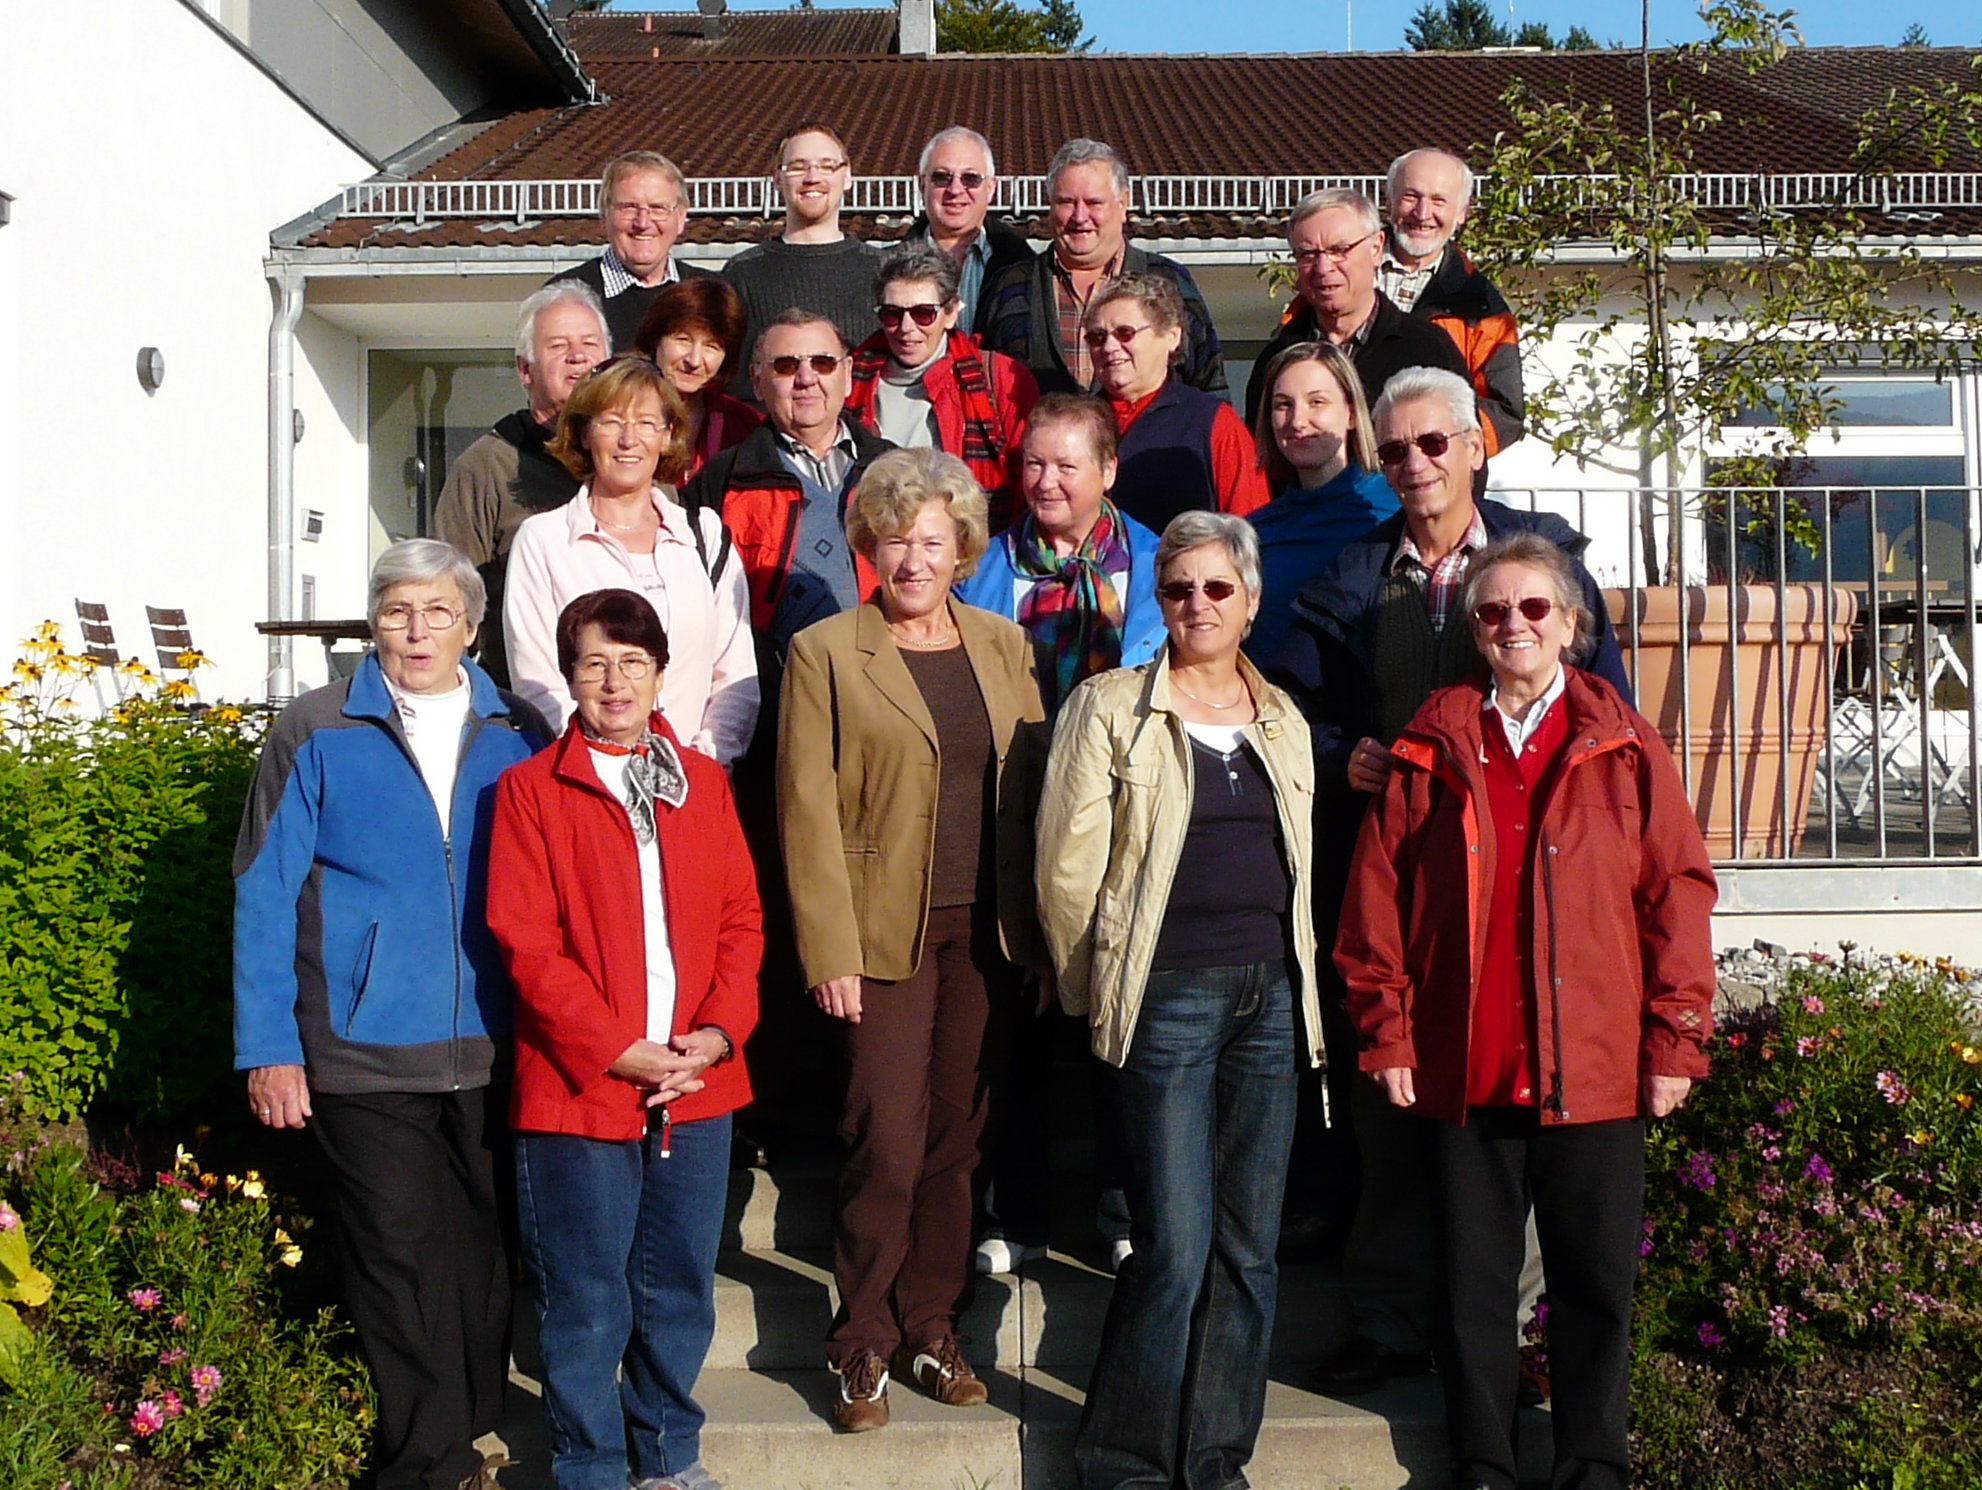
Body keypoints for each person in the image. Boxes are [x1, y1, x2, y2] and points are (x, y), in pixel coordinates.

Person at [1272, 366, 1629, 1400]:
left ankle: (1511, 1343)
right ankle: (1386, 1322)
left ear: (1475, 444)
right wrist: (1341, 751)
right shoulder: (1353, 573)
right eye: (1392, 452)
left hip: (1528, 885)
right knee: (1388, 1112)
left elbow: (1606, 710)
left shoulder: (1538, 565)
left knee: (1509, 1116)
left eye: (1432, 444)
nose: (1413, 465)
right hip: (1400, 882)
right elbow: (1290, 704)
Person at [1335, 531, 1716, 1490]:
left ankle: (1593, 1459)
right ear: (1474, 629)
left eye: (1534, 608)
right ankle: (1483, 1459)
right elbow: (1377, 900)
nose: (1515, 625)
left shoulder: (1625, 742)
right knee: (1473, 1284)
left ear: (1571, 625)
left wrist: (1674, 1040)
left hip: (1593, 1063)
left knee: (1594, 1283)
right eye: (1495, 611)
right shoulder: (1433, 742)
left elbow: (1676, 890)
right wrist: (1387, 1031)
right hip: (1467, 1059)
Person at [232, 538, 551, 1490]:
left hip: (496, 1040)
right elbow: (262, 888)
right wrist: (270, 1046)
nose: (416, 630)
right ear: (373, 621)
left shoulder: (521, 725)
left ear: (472, 626)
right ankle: (426, 1461)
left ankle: (476, 1431)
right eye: (397, 610)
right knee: (396, 1257)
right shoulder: (316, 728)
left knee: (484, 1251)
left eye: (437, 612)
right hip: (362, 1045)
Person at [1036, 510, 1324, 1490]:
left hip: (1271, 1001)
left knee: (1247, 1251)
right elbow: (1064, 869)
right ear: (1155, 601)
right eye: (1176, 588)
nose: (1195, 604)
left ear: (1248, 600)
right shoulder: (1109, 705)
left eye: (1215, 588)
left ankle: (1210, 1462)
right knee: (1173, 1244)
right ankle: (1121, 1461)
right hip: (1165, 992)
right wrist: (1095, 989)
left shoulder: (1280, 717)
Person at [776, 449, 1047, 1434]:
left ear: (960, 547)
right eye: (896, 536)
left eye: (933, 538)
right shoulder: (824, 650)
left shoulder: (1003, 645)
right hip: (881, 932)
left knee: (954, 1140)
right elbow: (804, 809)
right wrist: (828, 949)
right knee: (884, 1139)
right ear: (869, 542)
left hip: (987, 932)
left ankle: (933, 1324)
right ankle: (861, 1341)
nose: (914, 555)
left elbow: (1034, 791)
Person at [488, 587, 762, 1490]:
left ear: (658, 675)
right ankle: (591, 1466)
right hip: (581, 1086)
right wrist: (616, 1048)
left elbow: (740, 922)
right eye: (594, 662)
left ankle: (669, 1457)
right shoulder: (531, 790)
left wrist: (717, 1035)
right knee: (587, 1298)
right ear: (568, 674)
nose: (613, 681)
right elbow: (527, 943)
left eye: (632, 663)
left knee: (679, 1289)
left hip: (696, 1081)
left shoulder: (704, 783)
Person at [504, 356, 758, 762]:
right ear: (585, 433)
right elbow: (539, 686)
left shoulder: (705, 536)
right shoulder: (544, 542)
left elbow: (736, 678)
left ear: (668, 435)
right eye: (611, 421)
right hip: (590, 788)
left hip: (695, 789)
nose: (628, 440)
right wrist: (606, 770)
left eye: (645, 423)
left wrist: (703, 765)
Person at [680, 312, 893, 664]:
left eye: (823, 363)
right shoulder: (724, 479)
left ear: (847, 375)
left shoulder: (897, 470)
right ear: (757, 381)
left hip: (887, 678)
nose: (806, 379)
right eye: (786, 366)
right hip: (774, 692)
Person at [437, 281, 610, 685]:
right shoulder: (486, 468)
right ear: (525, 369)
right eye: (558, 346)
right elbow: (451, 598)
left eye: (590, 344)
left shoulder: (637, 461)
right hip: (523, 697)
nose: (578, 357)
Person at [955, 392, 1165, 714]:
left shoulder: (1160, 570)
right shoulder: (976, 574)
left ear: (1108, 471)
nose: (1045, 482)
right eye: (1035, 464)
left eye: (1065, 467)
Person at [981, 139, 1226, 397]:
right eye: (1066, 202)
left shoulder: (1169, 282)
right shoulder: (1010, 288)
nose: (1079, 217)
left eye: (1094, 202)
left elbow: (1210, 386)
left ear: (1123, 204)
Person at [844, 245, 1039, 530]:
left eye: (923, 313)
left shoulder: (999, 379)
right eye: (892, 314)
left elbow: (1026, 487)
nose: (907, 327)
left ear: (950, 313)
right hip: (875, 547)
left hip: (974, 551)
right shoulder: (848, 383)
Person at [1242, 188, 1468, 427]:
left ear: (1376, 249)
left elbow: (1461, 454)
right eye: (1308, 254)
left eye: (1339, 251)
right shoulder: (1278, 358)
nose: (1323, 268)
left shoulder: (1426, 350)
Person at [1246, 340, 1399, 662]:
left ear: (1352, 414)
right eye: (1283, 404)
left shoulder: (1395, 509)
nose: (1298, 421)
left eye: (1317, 402)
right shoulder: (1255, 532)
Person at [1085, 272, 1267, 533]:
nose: (1109, 347)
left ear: (1171, 336)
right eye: (1097, 337)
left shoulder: (1212, 423)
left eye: (1125, 333)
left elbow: (1249, 531)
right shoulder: (1077, 423)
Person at [1379, 148, 1525, 456]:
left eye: (1438, 200)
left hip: (1433, 482)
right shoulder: (1340, 277)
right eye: (1410, 196)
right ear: (1388, 200)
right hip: (1344, 480)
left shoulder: (1484, 310)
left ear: (1462, 213)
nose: (1422, 213)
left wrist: (1445, 451)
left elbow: (1506, 412)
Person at [722, 124, 883, 397]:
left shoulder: (882, 271)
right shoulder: (743, 274)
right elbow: (732, 384)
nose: (812, 177)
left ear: (847, 176)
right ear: (777, 178)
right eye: (798, 167)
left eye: (826, 166)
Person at [549, 151, 716, 352]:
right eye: (628, 208)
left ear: (681, 218)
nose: (643, 223)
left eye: (658, 208)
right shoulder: (563, 297)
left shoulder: (712, 294)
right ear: (604, 216)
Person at [898, 125, 1034, 334]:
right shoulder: (888, 268)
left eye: (970, 179)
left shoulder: (1026, 268)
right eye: (942, 177)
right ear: (922, 184)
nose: (955, 189)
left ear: (991, 188)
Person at [634, 277, 764, 478]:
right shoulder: (620, 411)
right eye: (683, 340)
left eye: (711, 346)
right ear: (656, 338)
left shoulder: (746, 426)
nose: (694, 360)